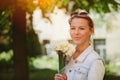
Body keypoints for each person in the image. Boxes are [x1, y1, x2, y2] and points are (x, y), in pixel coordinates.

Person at [54, 11, 105, 80]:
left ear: (91, 31)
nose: (76, 32)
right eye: (73, 28)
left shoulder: (95, 61)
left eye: (81, 28)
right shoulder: (68, 56)